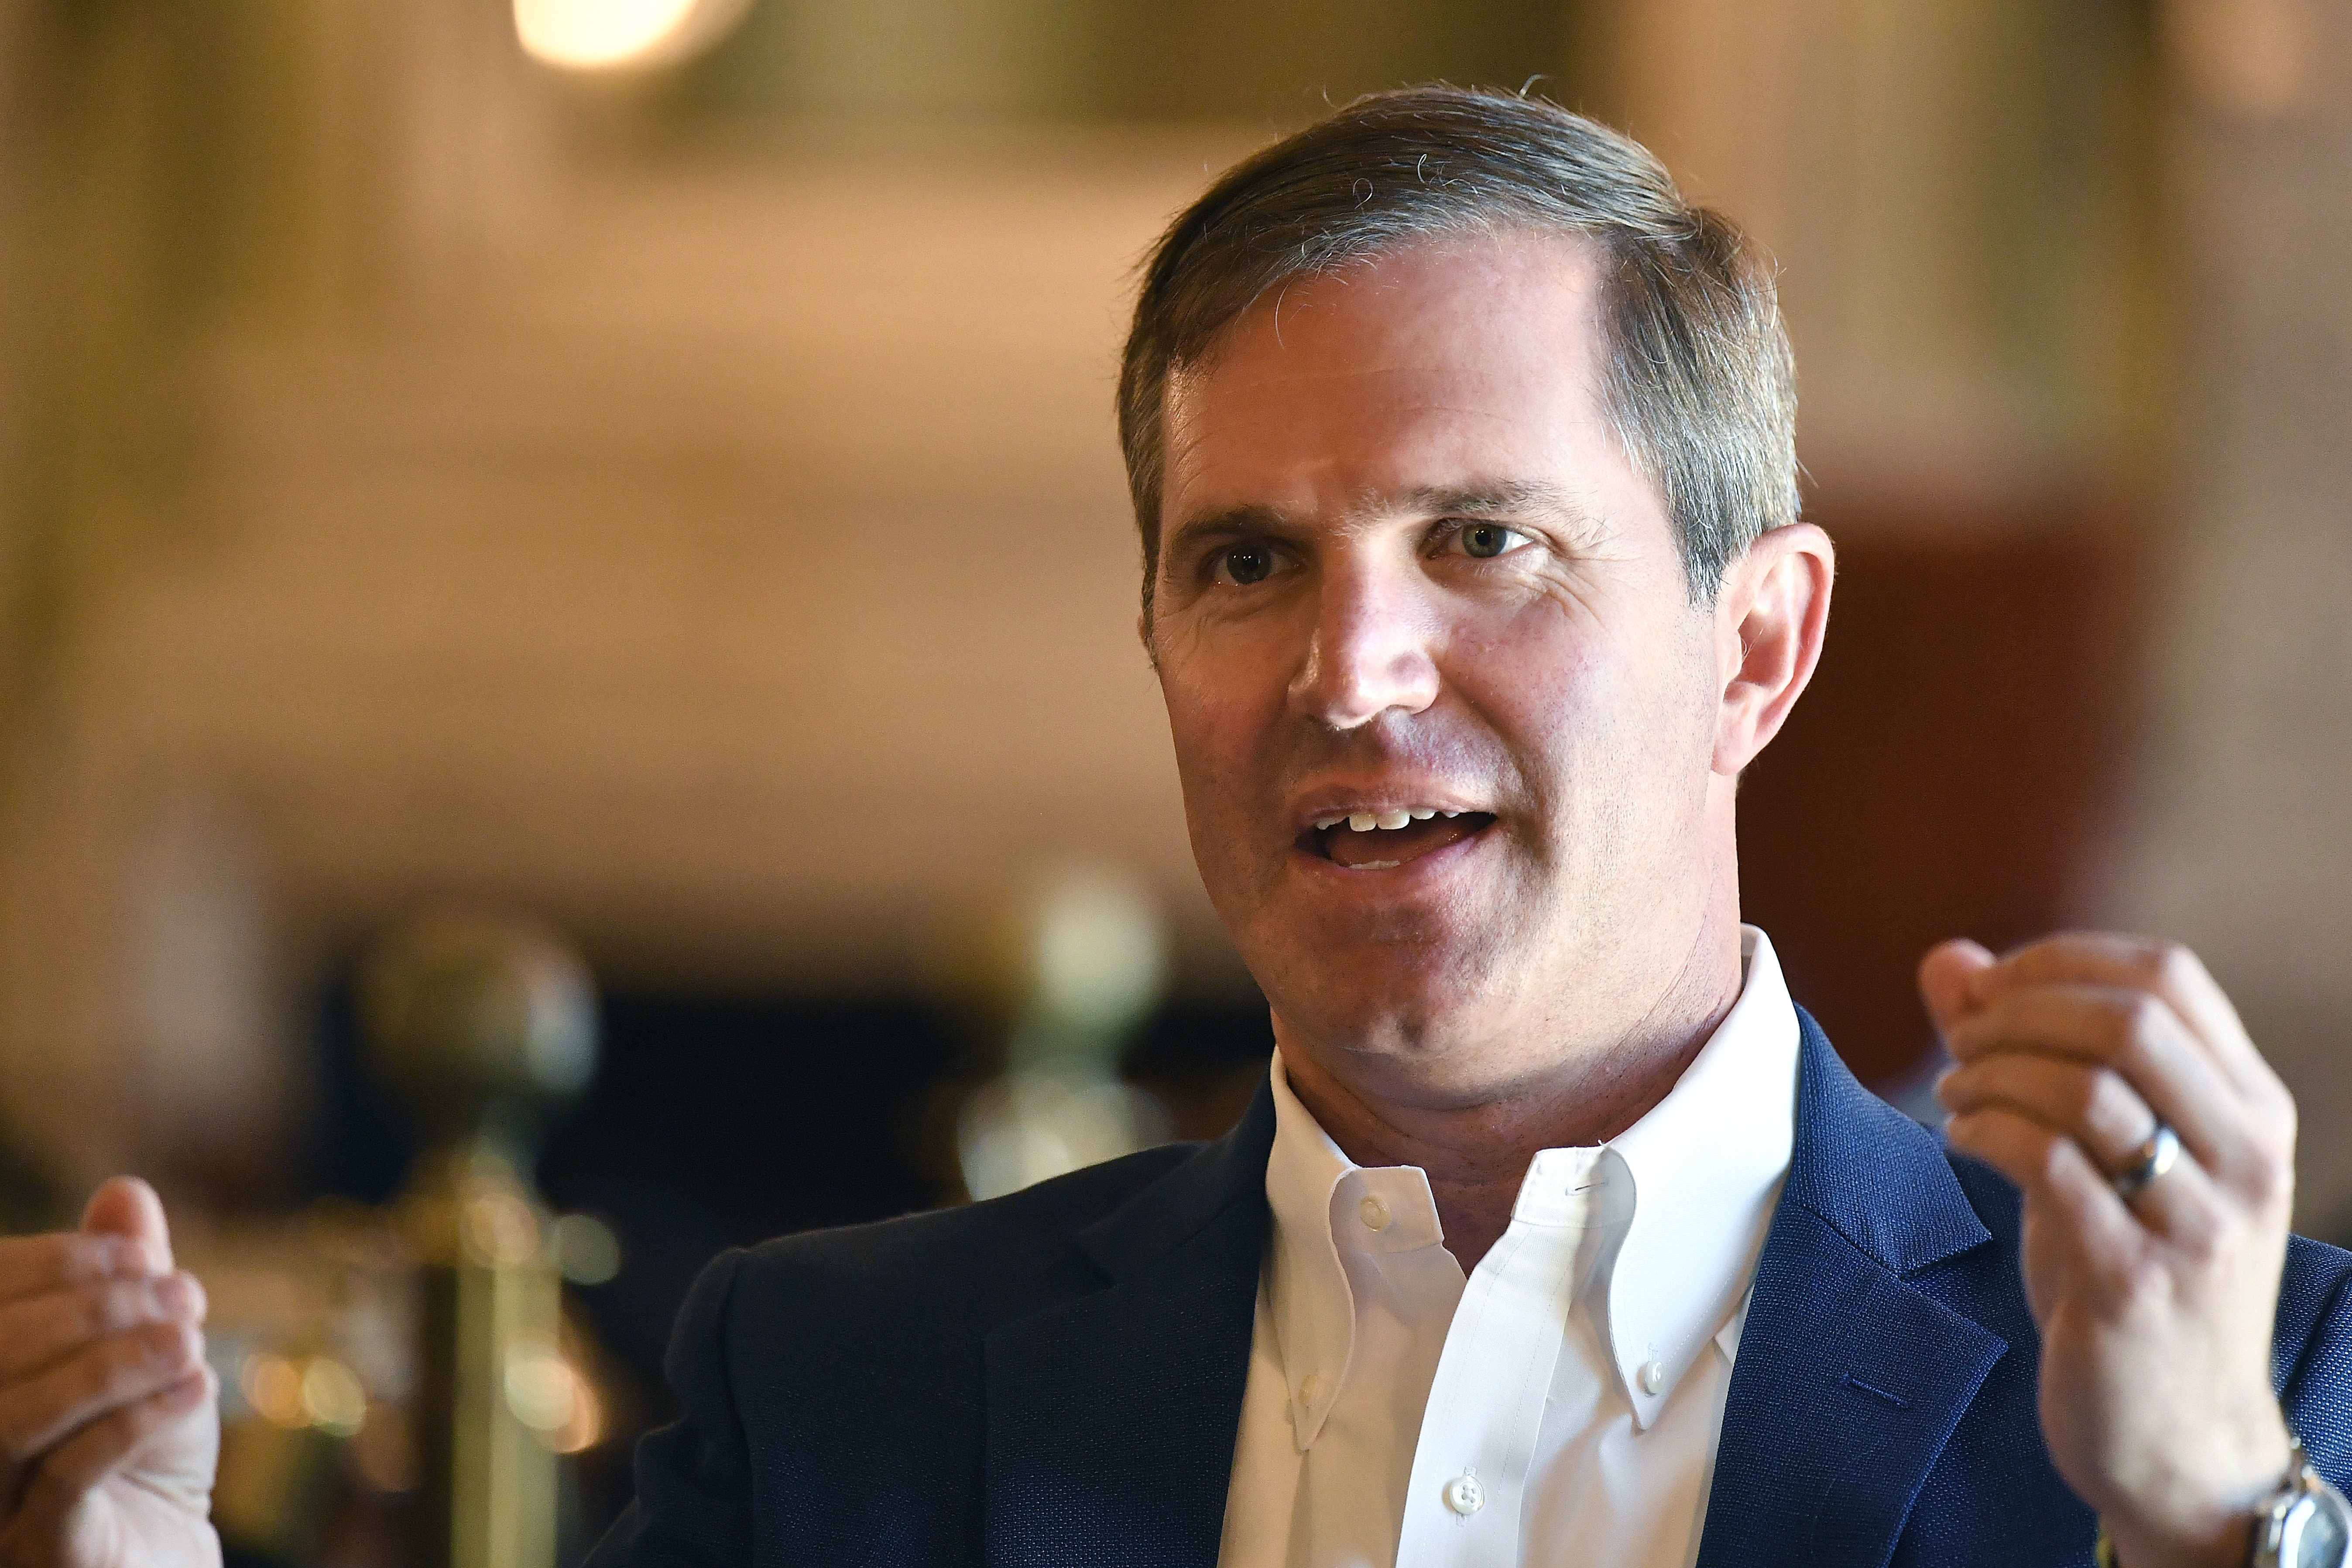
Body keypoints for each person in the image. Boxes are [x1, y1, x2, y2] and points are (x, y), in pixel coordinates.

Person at [2, 85, 2343, 1568]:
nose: (1349, 672)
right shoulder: (833, 1392)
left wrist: (2206, 1525)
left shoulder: (2252, 1394)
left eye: (1484, 544)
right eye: (1249, 564)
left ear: (1757, 648)